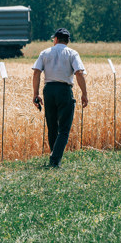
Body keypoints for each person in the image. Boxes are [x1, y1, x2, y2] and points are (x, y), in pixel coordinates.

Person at [32, 28, 88, 168]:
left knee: (52, 127)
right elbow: (79, 73)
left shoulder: (44, 53)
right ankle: (55, 160)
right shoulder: (72, 53)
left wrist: (35, 94)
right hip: (64, 90)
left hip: (48, 90)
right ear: (67, 41)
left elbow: (36, 73)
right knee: (64, 129)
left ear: (56, 39)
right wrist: (84, 93)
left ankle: (54, 157)